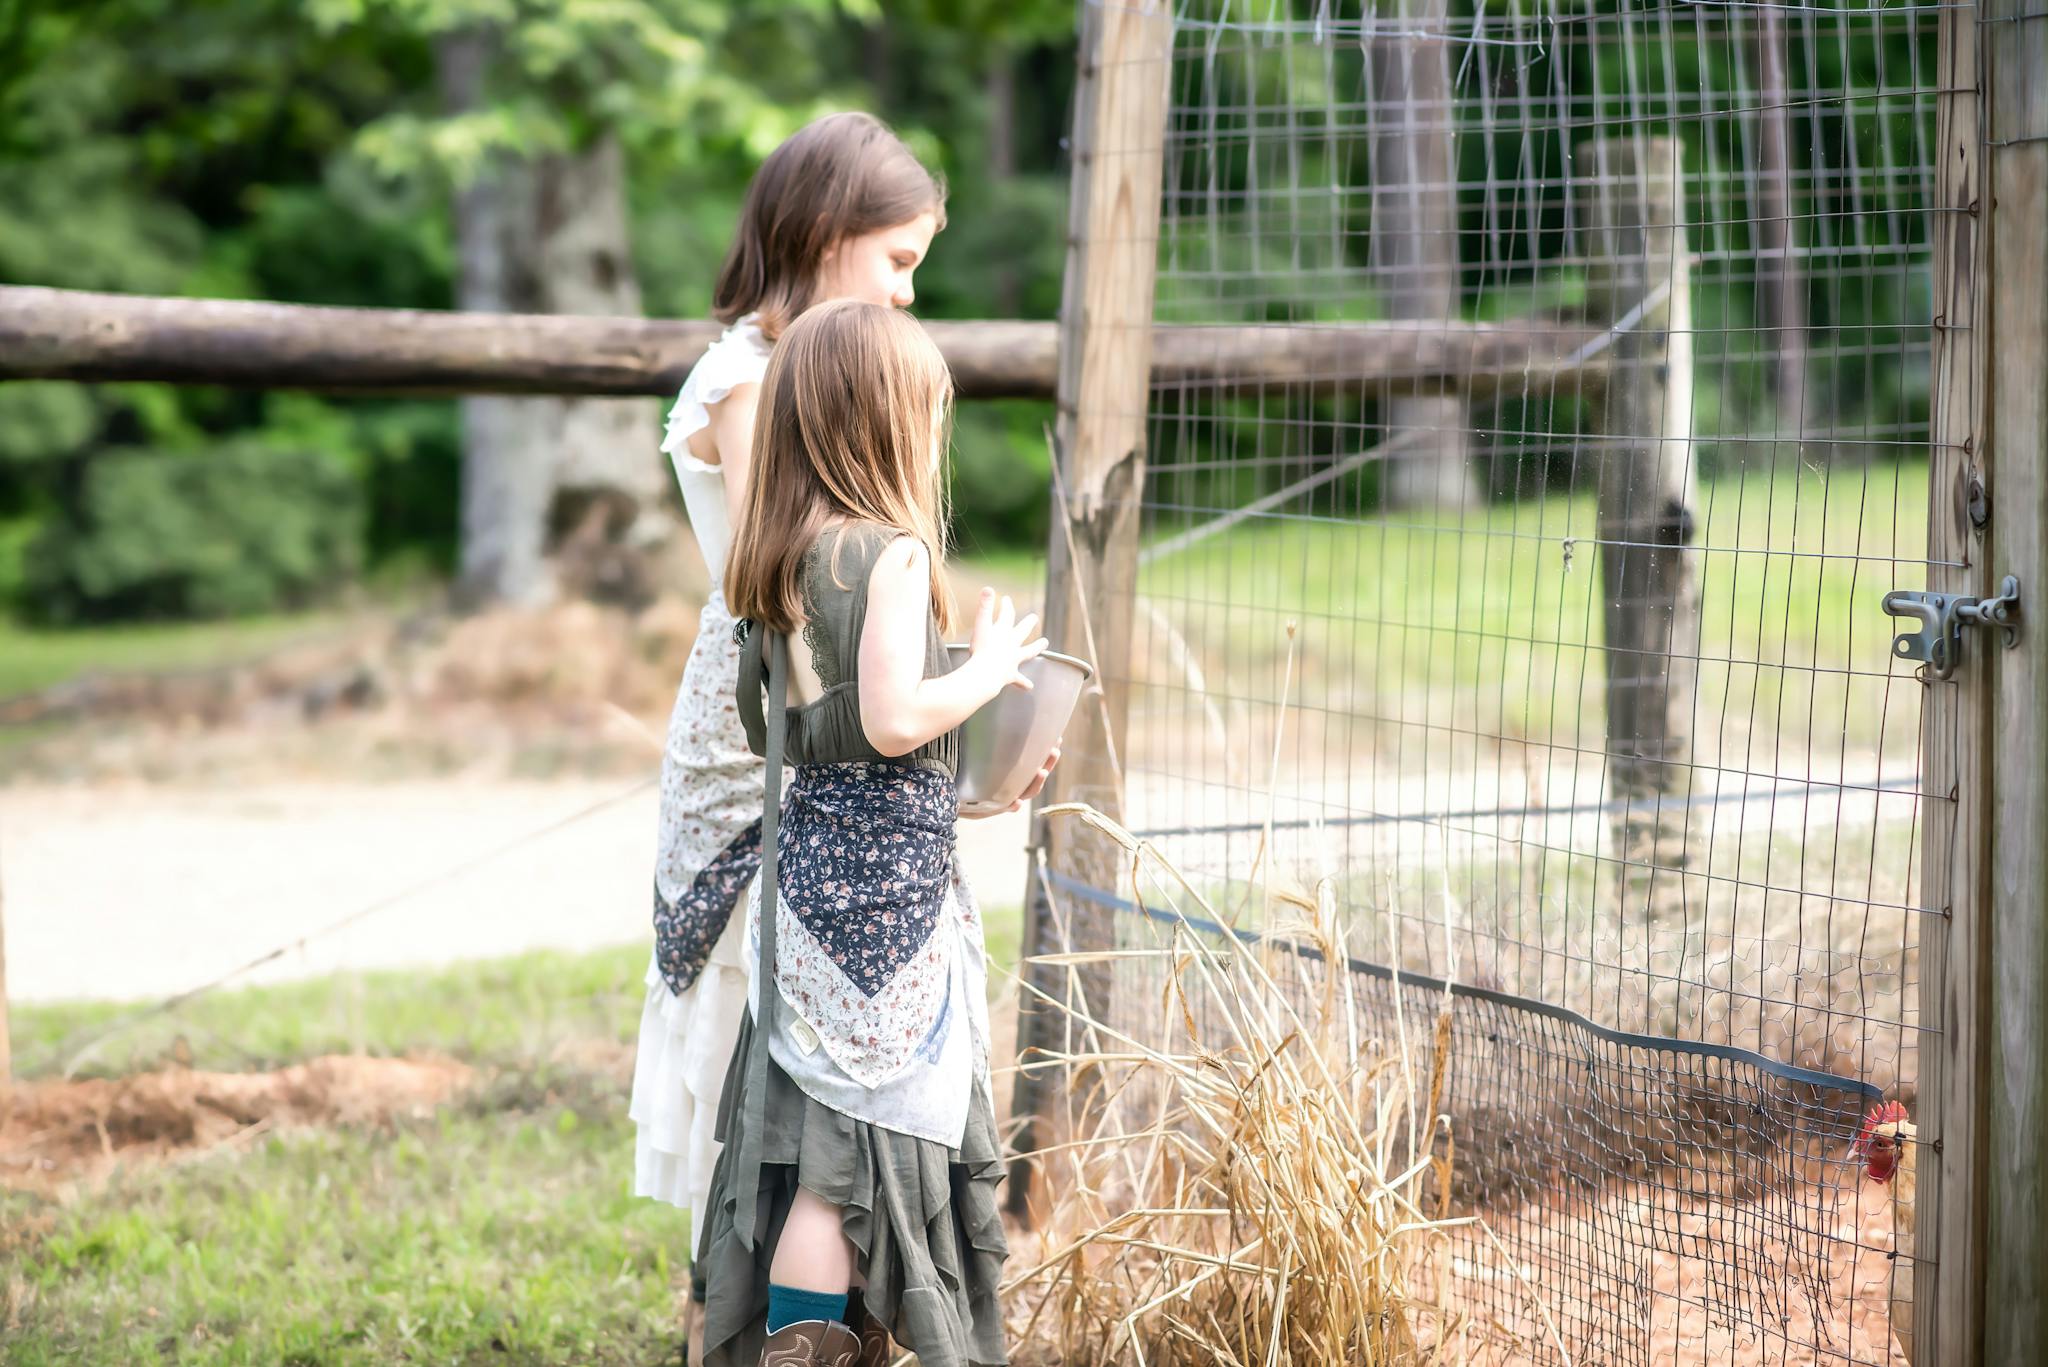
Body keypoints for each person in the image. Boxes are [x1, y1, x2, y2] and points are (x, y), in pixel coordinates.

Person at [629, 112, 946, 1348]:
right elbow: (802, 575)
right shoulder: (752, 379)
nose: (910, 293)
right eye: (898, 261)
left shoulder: (794, 364)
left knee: (818, 1017)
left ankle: (807, 1309)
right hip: (765, 729)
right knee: (759, 1024)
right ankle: (741, 1309)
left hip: (824, 720)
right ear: (823, 237)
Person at [700, 299, 1054, 1367]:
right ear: (889, 421)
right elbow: (896, 717)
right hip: (881, 914)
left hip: (805, 886)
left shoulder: (779, 555)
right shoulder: (887, 556)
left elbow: (814, 729)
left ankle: (808, 1345)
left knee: (820, 1139)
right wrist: (989, 674)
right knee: (845, 1161)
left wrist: (967, 791)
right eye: (929, 411)